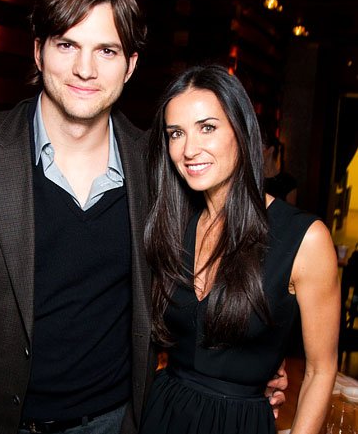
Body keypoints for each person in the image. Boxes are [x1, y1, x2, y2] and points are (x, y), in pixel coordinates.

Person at [0, 0, 286, 434]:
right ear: (38, 51)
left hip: (114, 422)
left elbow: (203, 271)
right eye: (67, 45)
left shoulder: (157, 165)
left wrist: (246, 365)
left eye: (107, 51)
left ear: (130, 65)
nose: (86, 69)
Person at [140, 64, 340, 434]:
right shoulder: (172, 223)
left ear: (241, 130)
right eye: (176, 133)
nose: (189, 149)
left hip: (240, 423)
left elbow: (320, 370)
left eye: (207, 127)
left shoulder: (304, 238)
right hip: (162, 413)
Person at [260, 120, 298, 205]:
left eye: (261, 148)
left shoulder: (288, 182)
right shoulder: (255, 179)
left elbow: (290, 211)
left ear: (270, 150)